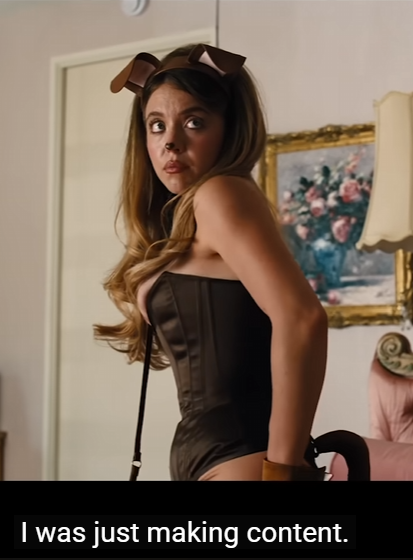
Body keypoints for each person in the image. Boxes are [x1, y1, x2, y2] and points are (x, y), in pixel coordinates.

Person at [93, 43, 328, 481]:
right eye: (157, 125)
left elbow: (302, 318)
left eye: (194, 122)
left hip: (243, 457)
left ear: (229, 128)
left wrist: (281, 472)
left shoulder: (220, 195)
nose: (170, 141)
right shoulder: (184, 221)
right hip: (212, 456)